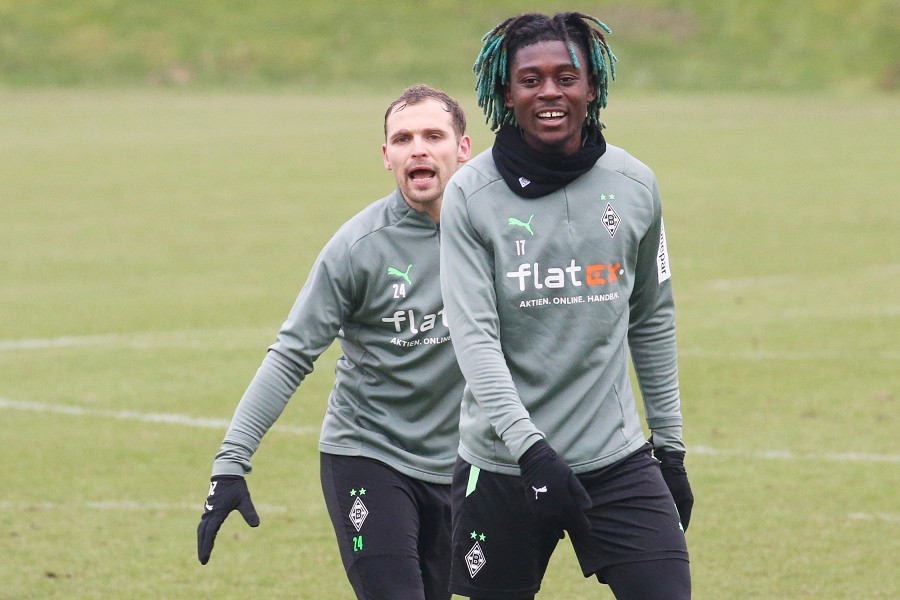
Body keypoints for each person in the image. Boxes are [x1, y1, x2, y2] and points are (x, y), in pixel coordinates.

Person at [439, 12, 693, 600]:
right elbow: (473, 338)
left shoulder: (634, 185)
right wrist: (530, 450)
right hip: (504, 464)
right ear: (506, 92)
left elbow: (652, 318)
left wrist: (671, 448)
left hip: (617, 460)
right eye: (530, 79)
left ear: (593, 87)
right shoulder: (471, 197)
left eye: (566, 77)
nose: (549, 92)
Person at [197, 84, 472, 600]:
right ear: (385, 156)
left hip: (461, 463)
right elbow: (291, 354)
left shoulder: (494, 235)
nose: (418, 148)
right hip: (369, 453)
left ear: (463, 148)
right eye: (402, 138)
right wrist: (231, 460)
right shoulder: (357, 248)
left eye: (434, 135)